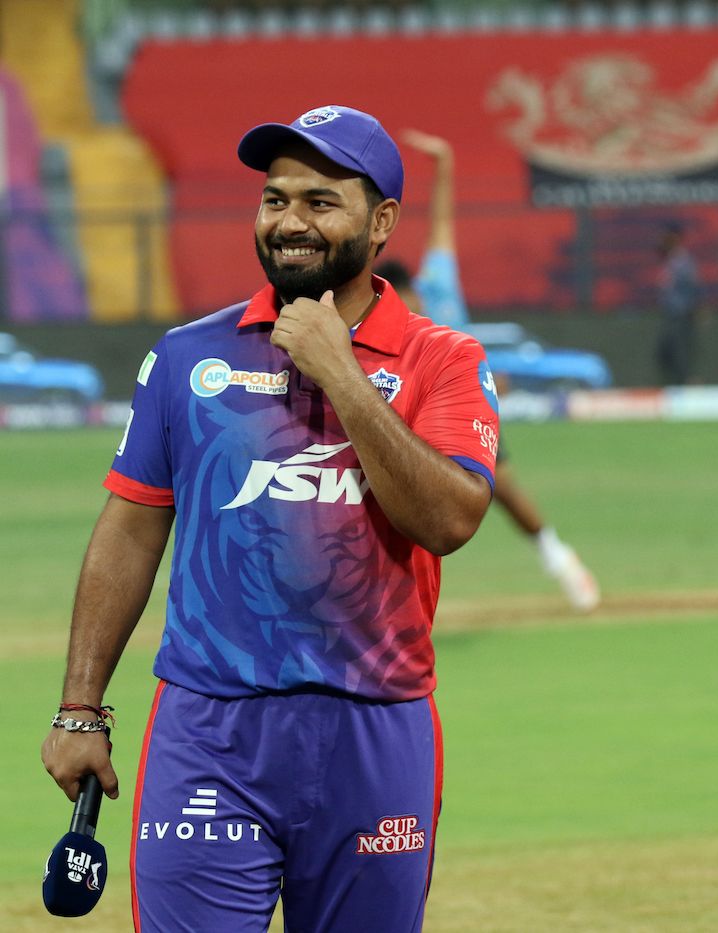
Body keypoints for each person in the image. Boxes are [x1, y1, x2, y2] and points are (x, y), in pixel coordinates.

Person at [40, 105, 500, 931]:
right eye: (275, 199)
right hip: (209, 731)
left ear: (383, 220)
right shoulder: (189, 355)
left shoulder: (446, 360)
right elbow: (132, 527)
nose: (290, 221)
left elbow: (451, 519)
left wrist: (342, 373)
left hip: (374, 732)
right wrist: (80, 707)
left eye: (321, 201)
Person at [377, 128, 599, 612]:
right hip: (406, 419)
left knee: (506, 493)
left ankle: (559, 559)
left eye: (403, 296)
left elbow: (441, 223)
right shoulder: (380, 321)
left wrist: (446, 163)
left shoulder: (439, 288)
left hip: (458, 412)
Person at [656, 221, 701, 385]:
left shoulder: (683, 260)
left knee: (679, 348)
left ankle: (688, 382)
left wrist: (693, 308)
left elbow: (692, 286)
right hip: (672, 311)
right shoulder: (671, 259)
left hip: (681, 312)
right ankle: (679, 381)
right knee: (667, 350)